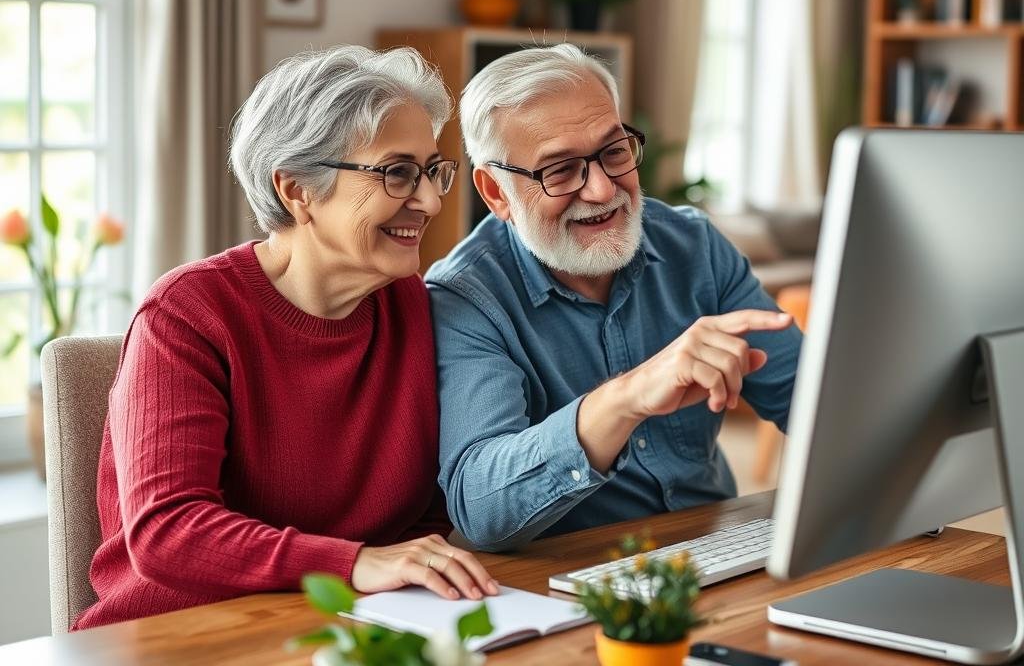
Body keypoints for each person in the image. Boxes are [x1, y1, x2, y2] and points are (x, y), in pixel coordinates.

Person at [75, 46, 497, 630]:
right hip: (184, 638)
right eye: (398, 172)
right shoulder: (188, 315)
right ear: (298, 189)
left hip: (347, 628)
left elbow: (426, 514)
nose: (429, 200)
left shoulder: (414, 307)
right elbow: (168, 531)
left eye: (433, 170)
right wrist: (355, 565)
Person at [426, 44, 802, 552]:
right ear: (496, 194)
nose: (603, 190)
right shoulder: (466, 297)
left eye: (614, 152)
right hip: (576, 583)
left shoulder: (694, 246)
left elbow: (810, 402)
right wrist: (627, 398)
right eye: (559, 171)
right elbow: (481, 508)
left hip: (722, 550)